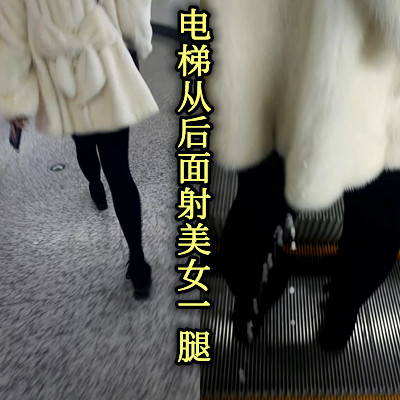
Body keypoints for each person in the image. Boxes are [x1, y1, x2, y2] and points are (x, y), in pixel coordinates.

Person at [201, 0, 400, 350]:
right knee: (377, 218)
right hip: (375, 83)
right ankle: (338, 319)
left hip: (270, 66)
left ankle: (254, 306)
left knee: (258, 211)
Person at [0, 0, 159, 300]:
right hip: (106, 55)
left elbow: (12, 34)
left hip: (60, 72)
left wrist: (15, 97)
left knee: (83, 142)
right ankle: (138, 264)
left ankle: (95, 186)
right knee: (119, 170)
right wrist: (135, 39)